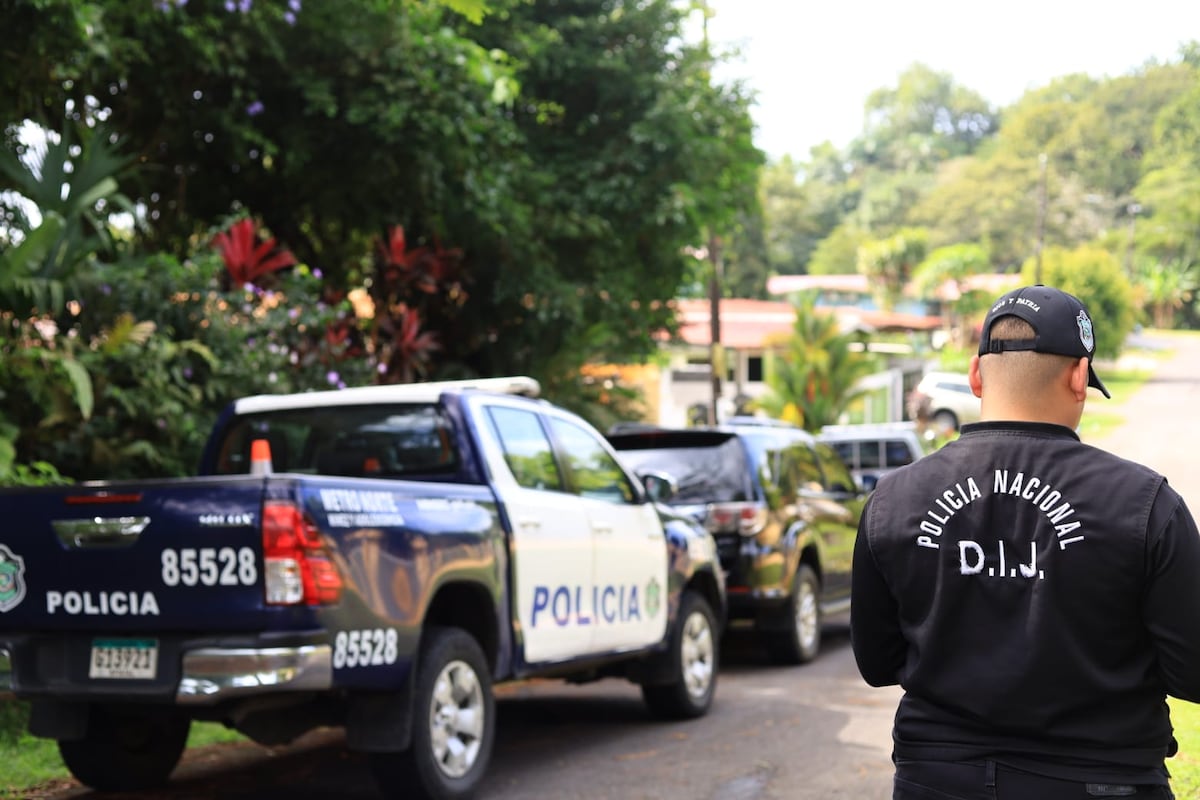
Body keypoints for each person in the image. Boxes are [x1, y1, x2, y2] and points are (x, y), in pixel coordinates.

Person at [851, 284, 1200, 800]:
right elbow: (1192, 672)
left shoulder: (892, 500)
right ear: (1080, 376)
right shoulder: (1144, 504)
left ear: (975, 375)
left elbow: (877, 663)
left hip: (939, 778)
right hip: (1100, 778)